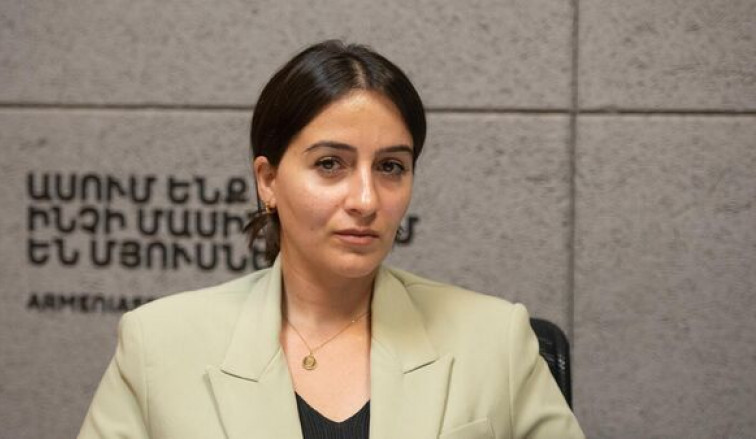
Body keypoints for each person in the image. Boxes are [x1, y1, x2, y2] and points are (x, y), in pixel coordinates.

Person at [78, 40, 585, 439]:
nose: (366, 199)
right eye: (329, 164)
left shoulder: (495, 339)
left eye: (391, 167)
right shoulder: (159, 343)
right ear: (268, 181)